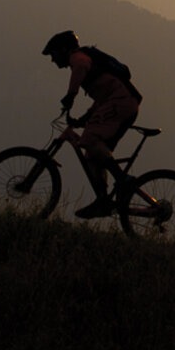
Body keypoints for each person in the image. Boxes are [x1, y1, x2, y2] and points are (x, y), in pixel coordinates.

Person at [41, 30, 143, 219]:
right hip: (122, 104)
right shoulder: (91, 64)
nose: (53, 60)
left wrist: (71, 95)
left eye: (53, 54)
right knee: (92, 155)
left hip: (121, 103)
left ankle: (123, 179)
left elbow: (81, 66)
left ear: (64, 49)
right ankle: (103, 201)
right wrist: (83, 119)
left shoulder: (77, 57)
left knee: (89, 139)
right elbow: (102, 100)